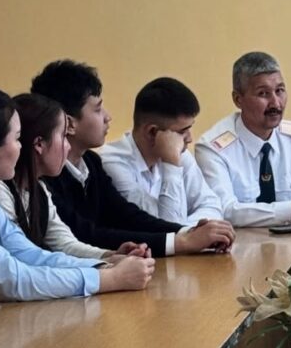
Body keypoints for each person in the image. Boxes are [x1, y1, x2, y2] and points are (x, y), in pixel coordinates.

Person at [32, 60, 231, 256]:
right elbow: (86, 234)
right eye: (98, 109)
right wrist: (181, 242)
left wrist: (188, 233)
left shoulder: (91, 162)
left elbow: (127, 216)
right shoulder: (46, 175)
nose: (108, 117)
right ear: (69, 124)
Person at [0, 87, 154, 301]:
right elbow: (14, 279)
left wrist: (105, 264)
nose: (22, 148)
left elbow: (29, 254)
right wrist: (111, 279)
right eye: (17, 139)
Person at [196, 51, 291, 226]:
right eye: (263, 94)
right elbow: (225, 211)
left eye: (279, 91)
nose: (276, 103)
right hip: (240, 242)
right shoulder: (213, 148)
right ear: (238, 99)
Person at [0, 93, 147, 261]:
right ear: (39, 144)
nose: (68, 146)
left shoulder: (40, 188)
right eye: (64, 136)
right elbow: (23, 256)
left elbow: (65, 244)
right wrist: (104, 267)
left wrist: (110, 256)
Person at [99, 78, 232, 238]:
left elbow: (212, 206)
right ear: (152, 132)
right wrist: (171, 166)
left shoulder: (181, 153)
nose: (189, 138)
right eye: (182, 131)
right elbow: (163, 231)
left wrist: (190, 232)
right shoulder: (112, 164)